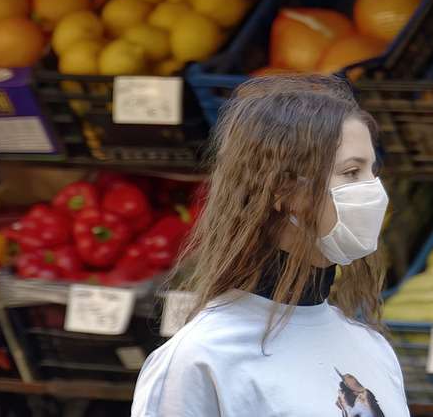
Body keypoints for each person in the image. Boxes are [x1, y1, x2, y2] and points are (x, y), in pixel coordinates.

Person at [132, 74, 408, 417]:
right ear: (282, 190)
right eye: (351, 173)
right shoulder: (202, 358)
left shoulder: (372, 348)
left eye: (372, 171)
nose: (373, 190)